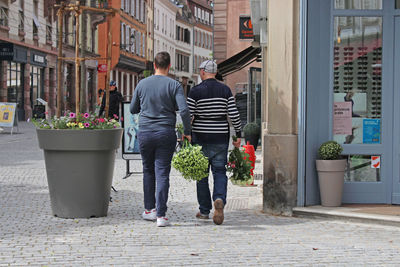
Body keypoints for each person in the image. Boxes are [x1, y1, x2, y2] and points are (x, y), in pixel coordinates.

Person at [130, 52, 191, 227]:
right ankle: (161, 216)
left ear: (154, 66)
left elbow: (133, 109)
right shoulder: (174, 85)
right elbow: (184, 111)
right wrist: (187, 131)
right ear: (169, 66)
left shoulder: (142, 84)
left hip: (146, 132)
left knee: (148, 170)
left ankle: (149, 210)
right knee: (162, 172)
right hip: (166, 132)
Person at [187, 60, 242, 225]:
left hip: (201, 137)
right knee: (219, 172)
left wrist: (186, 133)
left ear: (203, 72)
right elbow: (234, 114)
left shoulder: (195, 91)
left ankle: (204, 210)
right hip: (220, 137)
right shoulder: (225, 90)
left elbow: (188, 114)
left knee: (201, 175)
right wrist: (238, 134)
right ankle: (219, 199)